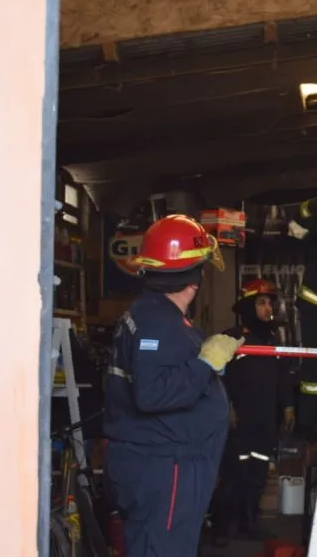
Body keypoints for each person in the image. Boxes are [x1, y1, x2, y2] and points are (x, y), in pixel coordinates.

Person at [102, 214, 243, 557]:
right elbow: (153, 393)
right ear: (193, 278)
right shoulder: (158, 322)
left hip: (161, 462)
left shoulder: (155, 315)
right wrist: (205, 363)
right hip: (165, 467)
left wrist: (208, 369)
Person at [211, 279, 296, 546]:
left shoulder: (272, 341)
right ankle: (223, 528)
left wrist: (289, 406)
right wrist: (229, 409)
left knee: (258, 472)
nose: (268, 308)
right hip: (240, 422)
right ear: (248, 307)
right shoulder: (232, 338)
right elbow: (216, 378)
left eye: (270, 302)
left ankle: (250, 523)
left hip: (265, 420)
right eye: (261, 302)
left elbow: (283, 377)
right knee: (234, 473)